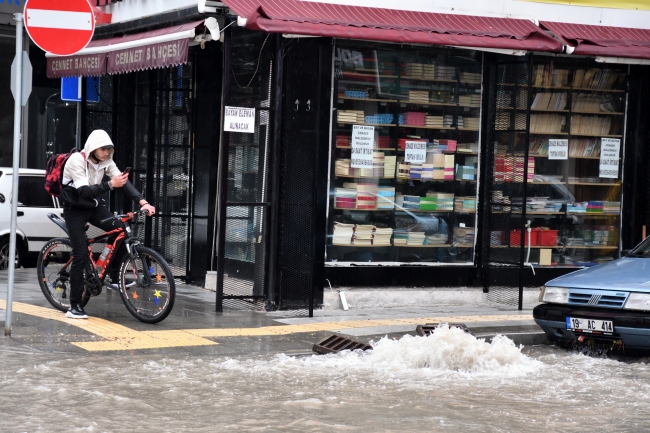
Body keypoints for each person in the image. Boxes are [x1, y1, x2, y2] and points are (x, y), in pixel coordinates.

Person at [61, 129, 155, 319]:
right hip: (75, 209)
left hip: (92, 206)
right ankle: (74, 306)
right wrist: (110, 185)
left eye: (109, 149)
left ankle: (113, 275)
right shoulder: (76, 161)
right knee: (80, 255)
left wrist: (142, 202)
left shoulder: (106, 162)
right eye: (103, 149)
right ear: (93, 148)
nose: (106, 153)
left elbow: (123, 182)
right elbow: (85, 191)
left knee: (120, 229)